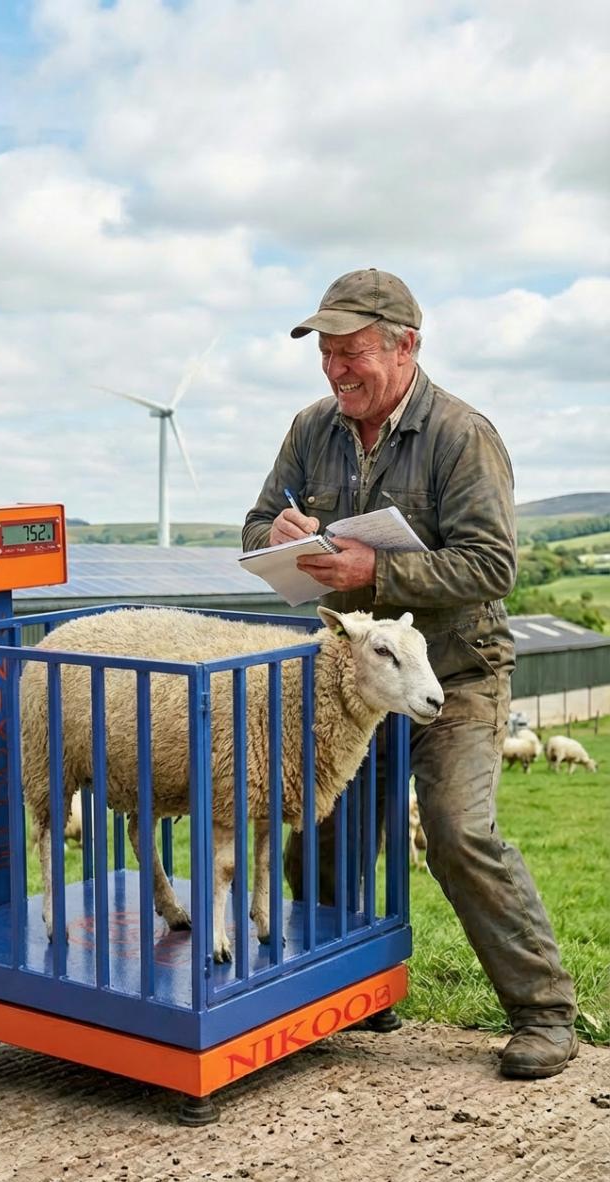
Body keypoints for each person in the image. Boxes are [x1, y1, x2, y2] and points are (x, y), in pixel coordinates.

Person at [242, 268, 578, 1080]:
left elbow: (492, 564)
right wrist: (276, 532)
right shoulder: (311, 428)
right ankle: (343, 989)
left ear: (405, 347)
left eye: (352, 352)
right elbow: (254, 526)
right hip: (354, 684)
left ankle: (544, 1013)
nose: (336, 369)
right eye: (326, 354)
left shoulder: (462, 434)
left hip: (454, 673)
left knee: (457, 831)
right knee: (322, 830)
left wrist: (378, 571)